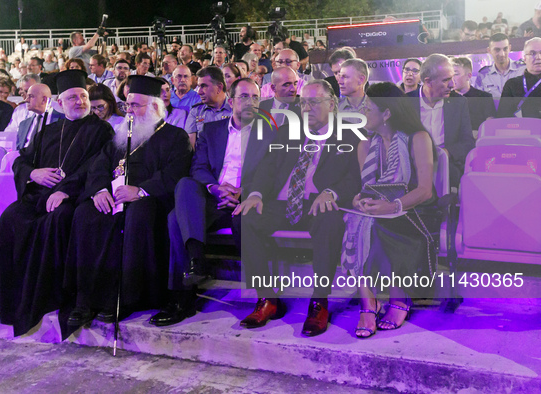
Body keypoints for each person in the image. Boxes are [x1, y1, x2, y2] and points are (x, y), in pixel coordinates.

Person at [0, 70, 114, 337]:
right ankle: (12, 297)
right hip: (41, 194)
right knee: (11, 217)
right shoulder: (49, 130)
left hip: (75, 196)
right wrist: (33, 173)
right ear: (59, 104)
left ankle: (49, 296)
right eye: (73, 98)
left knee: (57, 219)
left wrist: (65, 190)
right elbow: (22, 159)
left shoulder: (101, 129)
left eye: (83, 96)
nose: (80, 101)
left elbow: (95, 166)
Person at [62, 75, 192, 334]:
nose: (129, 110)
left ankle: (130, 297)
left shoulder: (175, 137)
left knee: (138, 215)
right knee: (85, 213)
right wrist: (98, 190)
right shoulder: (121, 135)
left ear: (155, 107)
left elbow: (175, 175)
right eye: (128, 105)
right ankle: (87, 299)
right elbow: (98, 165)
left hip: (150, 200)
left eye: (136, 105)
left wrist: (141, 191)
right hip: (113, 196)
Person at [235, 80, 361, 337]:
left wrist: (331, 192)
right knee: (244, 215)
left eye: (314, 102)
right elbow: (268, 167)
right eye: (304, 102)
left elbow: (354, 177)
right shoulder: (288, 131)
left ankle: (319, 302)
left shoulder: (348, 134)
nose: (307, 108)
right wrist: (256, 194)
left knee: (329, 219)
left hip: (317, 203)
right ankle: (267, 299)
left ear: (332, 104)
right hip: (282, 203)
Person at [149, 78, 274, 326]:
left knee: (175, 220)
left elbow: (272, 171)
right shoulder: (212, 130)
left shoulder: (269, 131)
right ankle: (193, 269)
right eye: (244, 96)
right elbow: (199, 167)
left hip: (247, 198)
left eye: (255, 97)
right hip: (214, 198)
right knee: (184, 187)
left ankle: (189, 292)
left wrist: (243, 191)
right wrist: (216, 188)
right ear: (231, 99)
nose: (251, 102)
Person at [344, 82, 438, 338]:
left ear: (386, 113)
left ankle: (399, 298)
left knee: (378, 223)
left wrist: (393, 206)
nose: (362, 112)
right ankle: (368, 303)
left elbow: (425, 191)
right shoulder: (365, 145)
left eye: (367, 108)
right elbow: (367, 189)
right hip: (381, 210)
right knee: (357, 221)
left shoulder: (418, 138)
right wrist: (359, 201)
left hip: (416, 211)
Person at [406, 54, 474, 187]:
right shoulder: (406, 103)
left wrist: (445, 153)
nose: (452, 85)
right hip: (412, 167)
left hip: (447, 167)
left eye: (453, 78)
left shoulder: (458, 103)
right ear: (428, 81)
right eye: (445, 80)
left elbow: (468, 143)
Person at [185, 66, 232, 147]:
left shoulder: (235, 110)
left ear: (219, 87)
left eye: (203, 86)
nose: (199, 92)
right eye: (198, 86)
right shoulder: (196, 111)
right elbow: (191, 147)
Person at [498, 37, 541, 118]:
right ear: (524, 58)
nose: (538, 57)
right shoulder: (512, 84)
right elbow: (503, 117)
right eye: (532, 53)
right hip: (520, 129)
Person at [474, 33, 525, 99]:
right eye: (497, 50)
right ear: (489, 50)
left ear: (510, 48)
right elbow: (478, 102)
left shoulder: (522, 70)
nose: (502, 54)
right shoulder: (483, 75)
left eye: (505, 49)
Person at [451, 57, 495, 132]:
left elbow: (490, 126)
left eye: (455, 74)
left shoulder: (484, 97)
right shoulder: (445, 98)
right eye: (450, 74)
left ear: (468, 76)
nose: (452, 78)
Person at [16, 84, 65, 150]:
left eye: (31, 96)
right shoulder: (23, 125)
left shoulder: (63, 121)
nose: (26, 100)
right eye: (27, 96)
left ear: (44, 100)